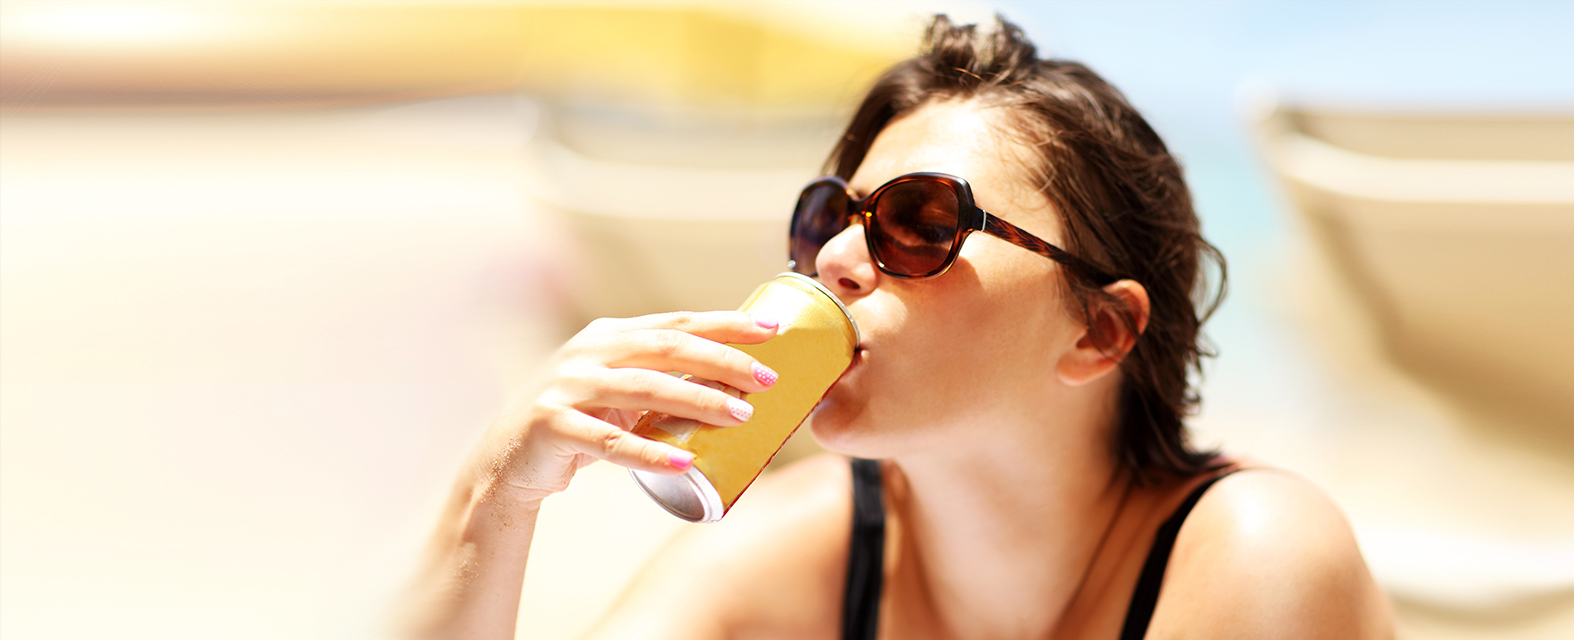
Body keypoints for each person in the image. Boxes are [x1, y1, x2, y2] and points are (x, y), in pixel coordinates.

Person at [403, 14, 1395, 640]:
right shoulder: (808, 548)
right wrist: (496, 495)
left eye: (923, 222)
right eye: (828, 218)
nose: (834, 258)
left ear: (1098, 331)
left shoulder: (1254, 554)